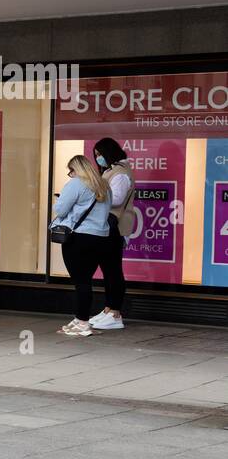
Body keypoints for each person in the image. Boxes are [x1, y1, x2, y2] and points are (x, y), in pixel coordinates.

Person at [53, 154, 113, 337]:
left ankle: (82, 322)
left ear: (76, 169)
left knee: (81, 281)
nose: (70, 174)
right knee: (86, 279)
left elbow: (60, 210)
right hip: (101, 237)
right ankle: (80, 319)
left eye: (71, 171)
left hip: (78, 238)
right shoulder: (104, 185)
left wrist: (61, 199)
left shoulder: (76, 184)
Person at [89, 137, 137, 331]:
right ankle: (109, 309)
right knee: (108, 269)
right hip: (107, 225)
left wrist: (94, 194)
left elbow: (116, 199)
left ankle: (115, 312)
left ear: (109, 152)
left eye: (100, 154)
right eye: (96, 155)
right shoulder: (110, 170)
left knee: (113, 270)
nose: (98, 158)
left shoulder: (120, 173)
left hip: (116, 226)